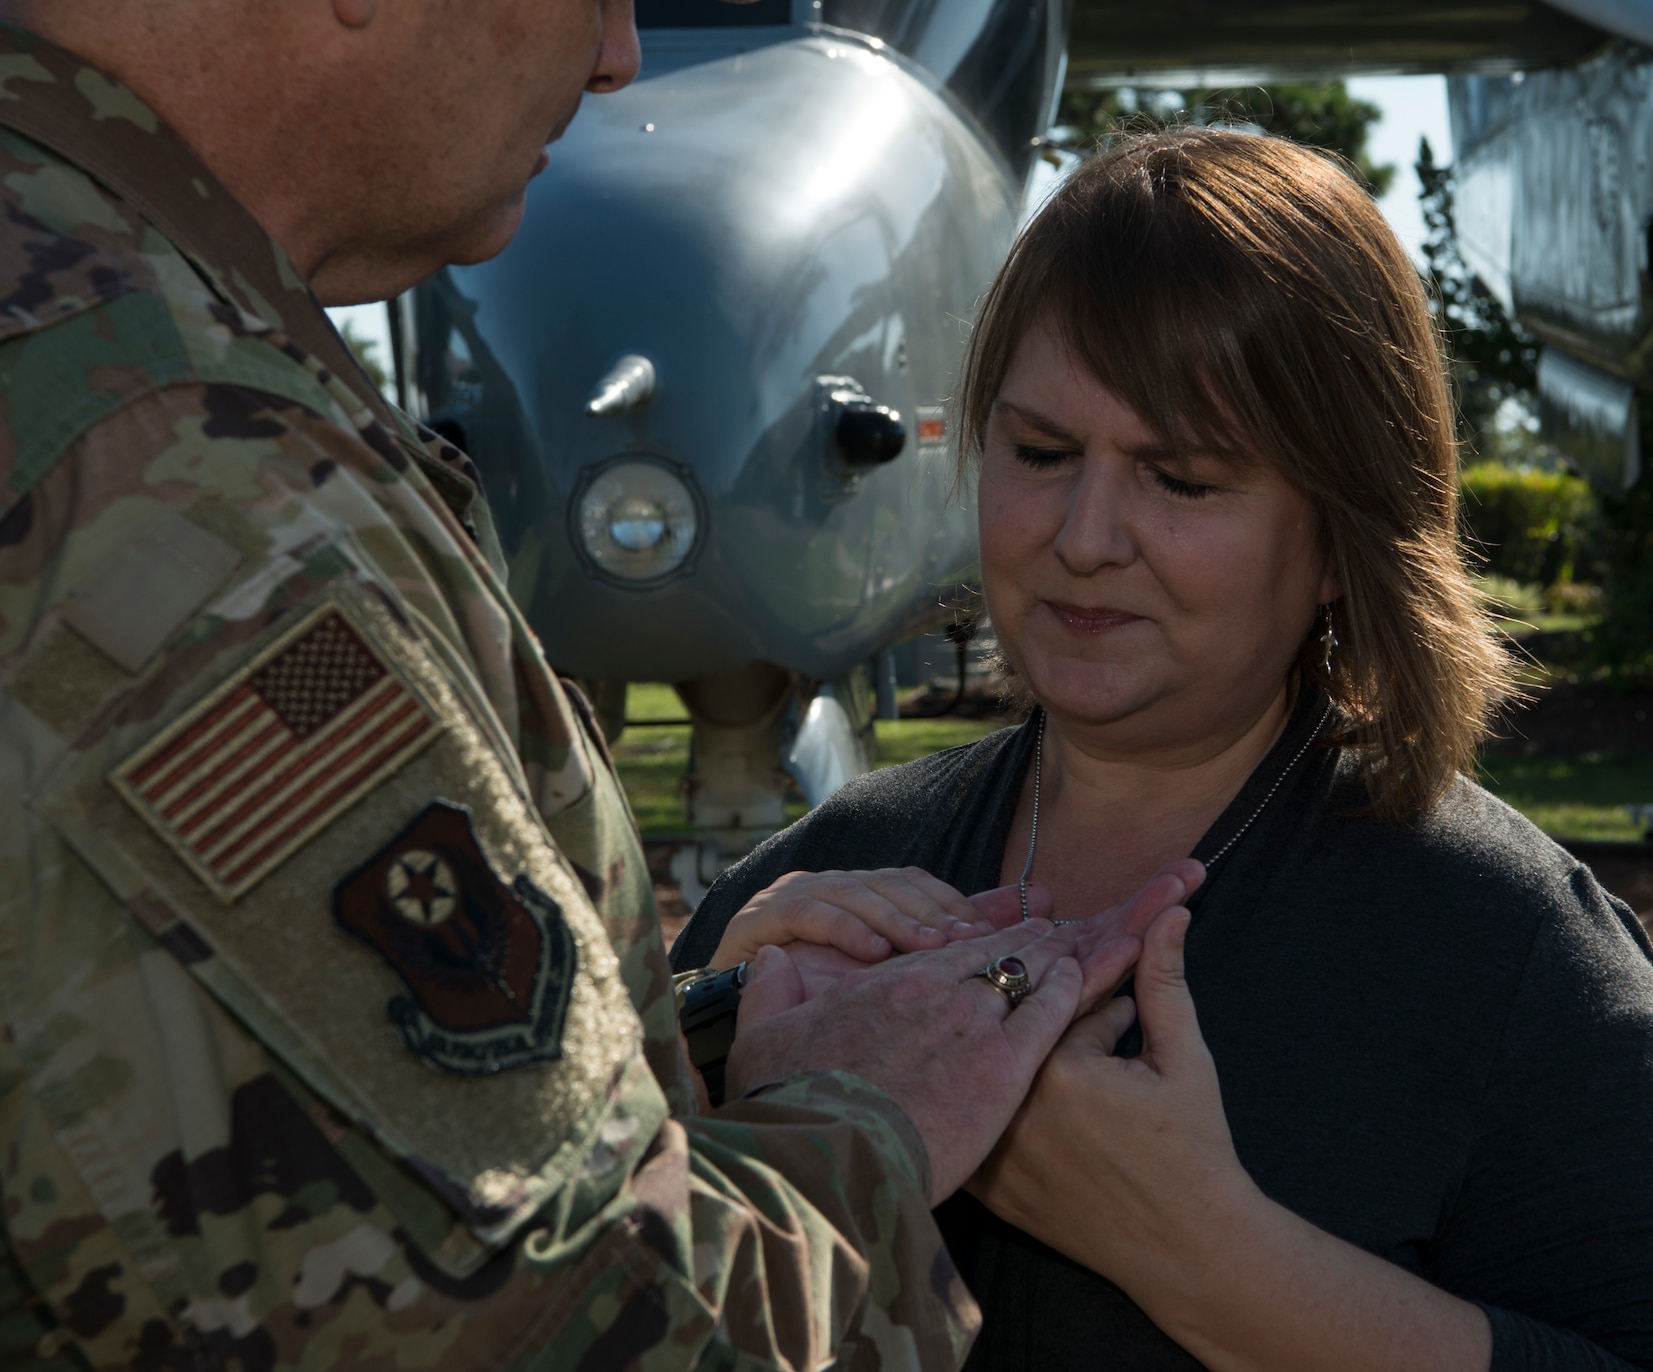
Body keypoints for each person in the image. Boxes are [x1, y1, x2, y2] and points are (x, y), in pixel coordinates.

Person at [0, 2, 1186, 1366]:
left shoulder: (96, 334)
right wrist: (878, 1116)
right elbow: (564, 1327)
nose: (621, 53)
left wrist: (706, 1033)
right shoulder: (160, 476)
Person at [675, 129, 1653, 1370]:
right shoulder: (818, 883)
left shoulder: (1502, 944)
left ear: (1339, 537)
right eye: (1040, 453)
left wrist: (1207, 1255)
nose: (1084, 536)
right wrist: (690, 1062)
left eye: (1181, 478)